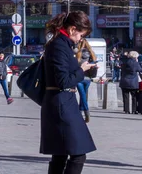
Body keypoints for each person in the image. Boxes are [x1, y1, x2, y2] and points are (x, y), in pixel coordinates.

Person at [41, 11, 96, 174]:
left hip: (62, 101)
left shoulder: (61, 44)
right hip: (61, 103)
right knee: (78, 153)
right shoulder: (59, 46)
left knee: (60, 154)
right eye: (81, 35)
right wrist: (81, 69)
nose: (81, 39)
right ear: (72, 29)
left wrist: (83, 70)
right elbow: (63, 81)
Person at [76, 38, 97, 123]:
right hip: (88, 78)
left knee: (83, 95)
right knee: (83, 95)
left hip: (80, 77)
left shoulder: (78, 54)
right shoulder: (91, 54)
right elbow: (95, 64)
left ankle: (86, 112)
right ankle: (81, 113)